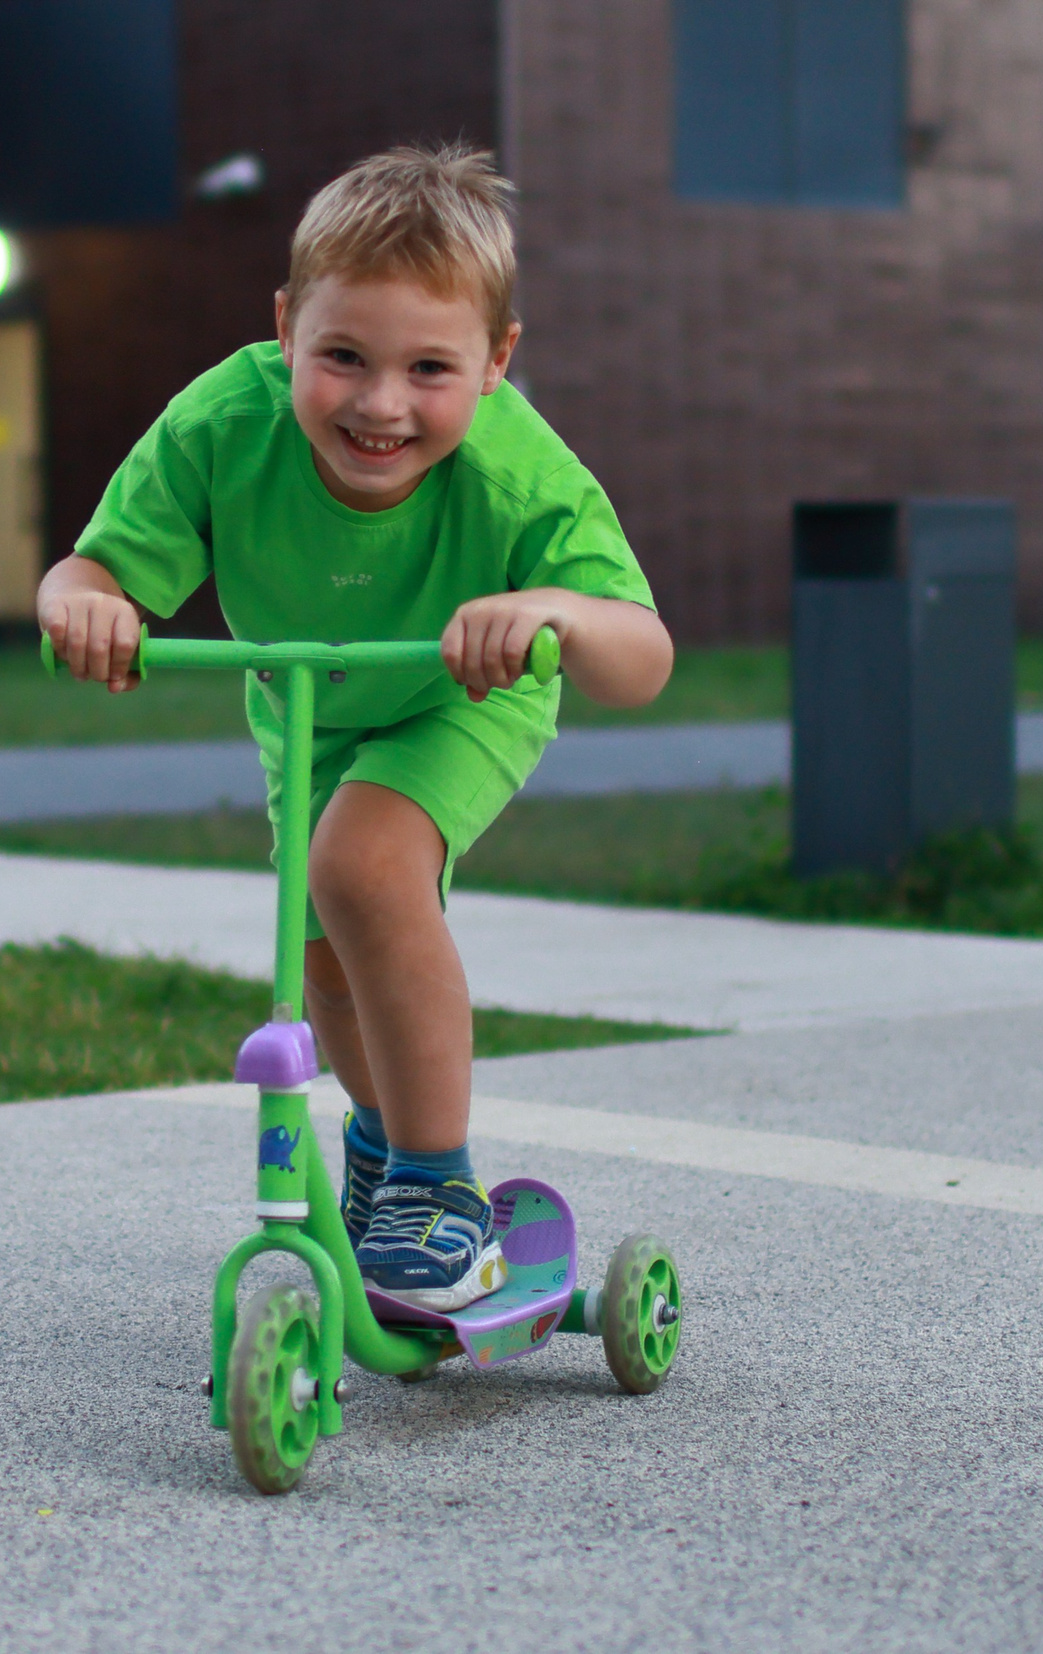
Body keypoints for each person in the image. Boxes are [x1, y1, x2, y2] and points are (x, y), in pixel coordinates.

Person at [38, 143, 674, 1311]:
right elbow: (95, 568)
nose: (380, 404)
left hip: (457, 692)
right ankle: (382, 1149)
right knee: (323, 944)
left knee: (364, 865)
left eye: (430, 367)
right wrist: (82, 602)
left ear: (496, 363)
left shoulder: (520, 472)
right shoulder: (226, 423)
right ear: (285, 329)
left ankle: (439, 1182)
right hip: (309, 700)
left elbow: (641, 660)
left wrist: (552, 610)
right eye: (342, 357)